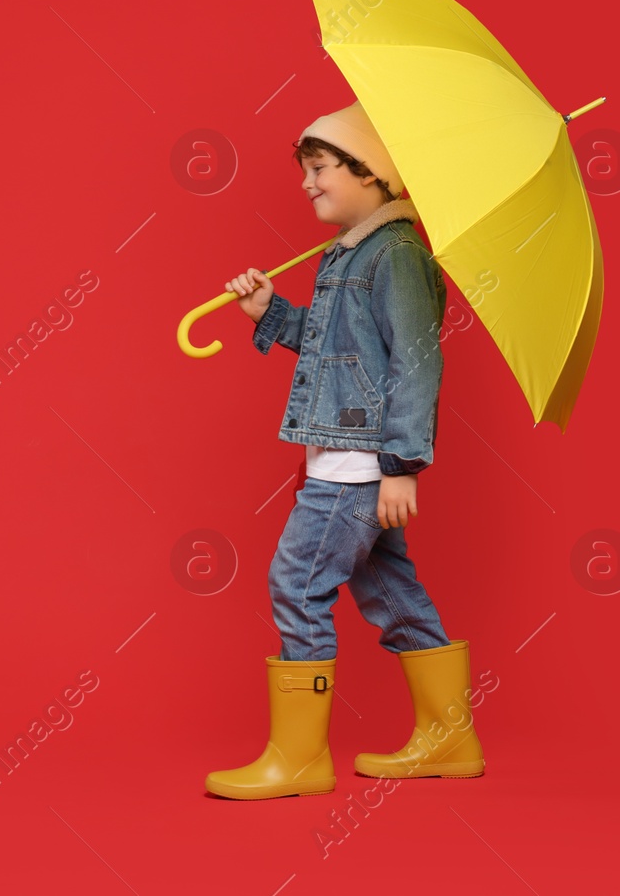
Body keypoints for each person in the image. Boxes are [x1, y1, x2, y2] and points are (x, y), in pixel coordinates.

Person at [204, 101, 485, 800]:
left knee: (296, 583)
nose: (307, 183)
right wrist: (270, 312)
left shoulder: (397, 255)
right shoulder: (348, 253)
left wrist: (401, 466)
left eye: (321, 167)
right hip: (344, 459)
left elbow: (416, 365)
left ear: (371, 172)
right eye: (306, 170)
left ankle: (298, 758)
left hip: (360, 468)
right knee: (390, 591)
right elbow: (340, 354)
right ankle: (449, 736)